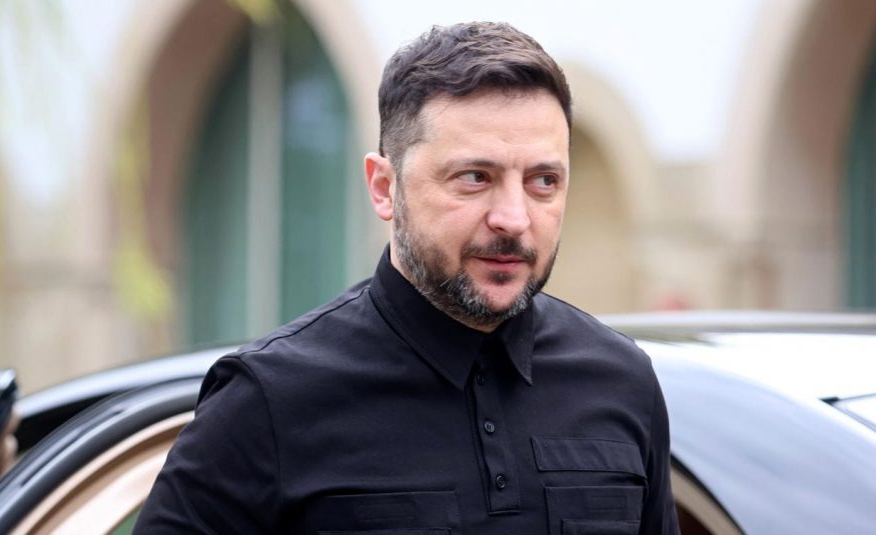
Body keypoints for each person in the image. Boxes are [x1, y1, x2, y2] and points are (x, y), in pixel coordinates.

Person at [136, 21, 679, 534]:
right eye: (475, 177)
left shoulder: (621, 380)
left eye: (543, 181)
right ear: (383, 188)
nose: (513, 218)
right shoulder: (267, 401)